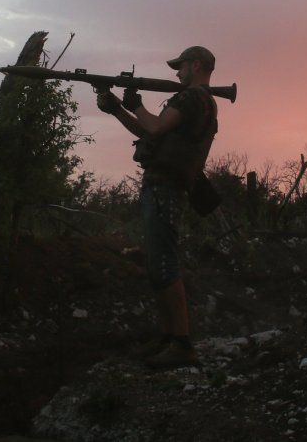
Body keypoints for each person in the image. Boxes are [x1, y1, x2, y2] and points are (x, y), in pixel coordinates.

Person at [96, 45, 219, 369]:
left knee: (163, 263)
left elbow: (153, 126)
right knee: (156, 261)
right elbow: (148, 130)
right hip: (163, 185)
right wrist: (119, 109)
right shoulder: (198, 102)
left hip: (165, 187)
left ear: (195, 65)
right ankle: (168, 339)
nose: (177, 72)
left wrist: (135, 104)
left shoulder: (192, 98)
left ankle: (181, 343)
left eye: (181, 67)